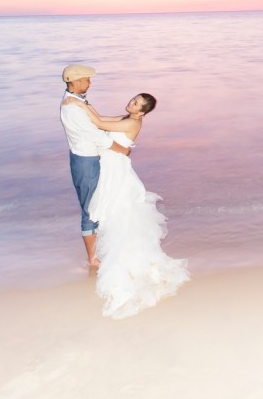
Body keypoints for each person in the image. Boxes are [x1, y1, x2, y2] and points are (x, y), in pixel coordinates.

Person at [81, 92, 190, 319]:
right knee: (113, 208)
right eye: (133, 99)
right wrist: (84, 104)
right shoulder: (125, 117)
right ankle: (101, 251)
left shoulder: (133, 121)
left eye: (136, 104)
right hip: (110, 164)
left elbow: (99, 123)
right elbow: (99, 118)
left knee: (116, 208)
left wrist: (77, 103)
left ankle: (113, 256)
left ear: (142, 112)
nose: (131, 103)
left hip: (115, 167)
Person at [60, 64, 132, 267]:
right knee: (90, 209)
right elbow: (95, 135)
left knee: (98, 204)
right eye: (86, 80)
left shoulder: (78, 102)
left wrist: (127, 119)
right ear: (73, 81)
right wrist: (122, 149)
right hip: (85, 161)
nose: (89, 83)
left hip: (89, 158)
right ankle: (93, 259)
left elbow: (97, 122)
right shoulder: (72, 107)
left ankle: (98, 251)